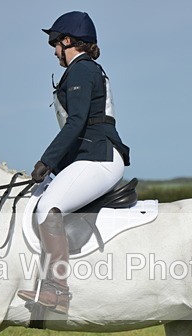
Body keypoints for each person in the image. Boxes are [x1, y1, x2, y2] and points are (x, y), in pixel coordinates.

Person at [17, 11, 131, 315]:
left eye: (56, 43)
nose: (54, 51)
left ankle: (58, 291)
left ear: (68, 41)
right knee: (39, 198)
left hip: (100, 157)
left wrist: (46, 161)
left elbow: (77, 122)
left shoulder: (81, 71)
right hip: (88, 156)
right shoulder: (83, 70)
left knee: (47, 208)